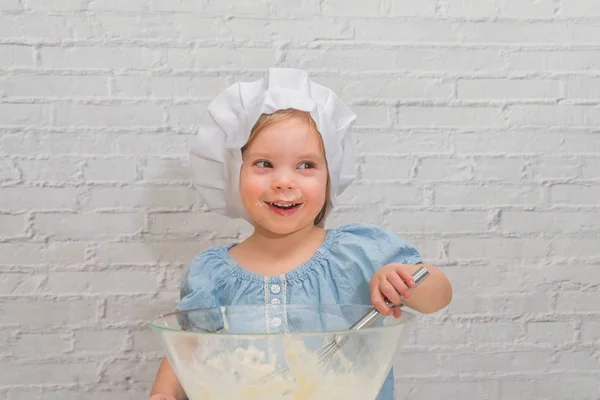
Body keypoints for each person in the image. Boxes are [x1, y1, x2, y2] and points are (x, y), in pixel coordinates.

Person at [148, 68, 452, 400]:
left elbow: (438, 297)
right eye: (264, 164)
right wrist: (165, 394)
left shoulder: (358, 255)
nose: (284, 182)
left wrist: (404, 280)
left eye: (306, 165)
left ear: (329, 177)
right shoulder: (213, 274)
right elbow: (188, 349)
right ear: (233, 173)